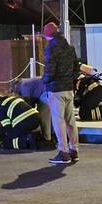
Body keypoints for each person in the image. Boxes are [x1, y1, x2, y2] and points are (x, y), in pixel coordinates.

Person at [40, 21, 79, 164]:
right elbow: (77, 69)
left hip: (56, 90)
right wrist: (70, 80)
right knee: (70, 121)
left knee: (59, 121)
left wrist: (43, 81)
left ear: (47, 35)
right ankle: (74, 150)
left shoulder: (51, 48)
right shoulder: (70, 47)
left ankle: (63, 153)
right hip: (69, 89)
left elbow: (50, 70)